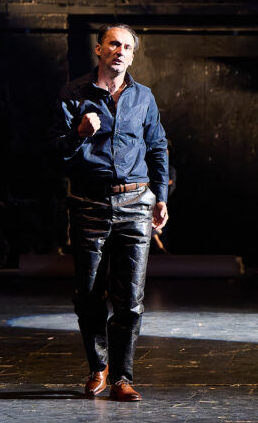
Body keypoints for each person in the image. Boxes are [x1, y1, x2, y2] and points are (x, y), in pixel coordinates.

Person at [49, 24, 169, 402]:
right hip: (89, 204)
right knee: (88, 294)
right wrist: (79, 134)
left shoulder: (143, 96)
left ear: (132, 56)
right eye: (114, 44)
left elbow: (158, 147)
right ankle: (98, 367)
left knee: (130, 299)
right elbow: (55, 153)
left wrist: (161, 196)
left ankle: (121, 377)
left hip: (136, 204)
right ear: (99, 49)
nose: (120, 51)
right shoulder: (73, 94)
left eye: (127, 47)